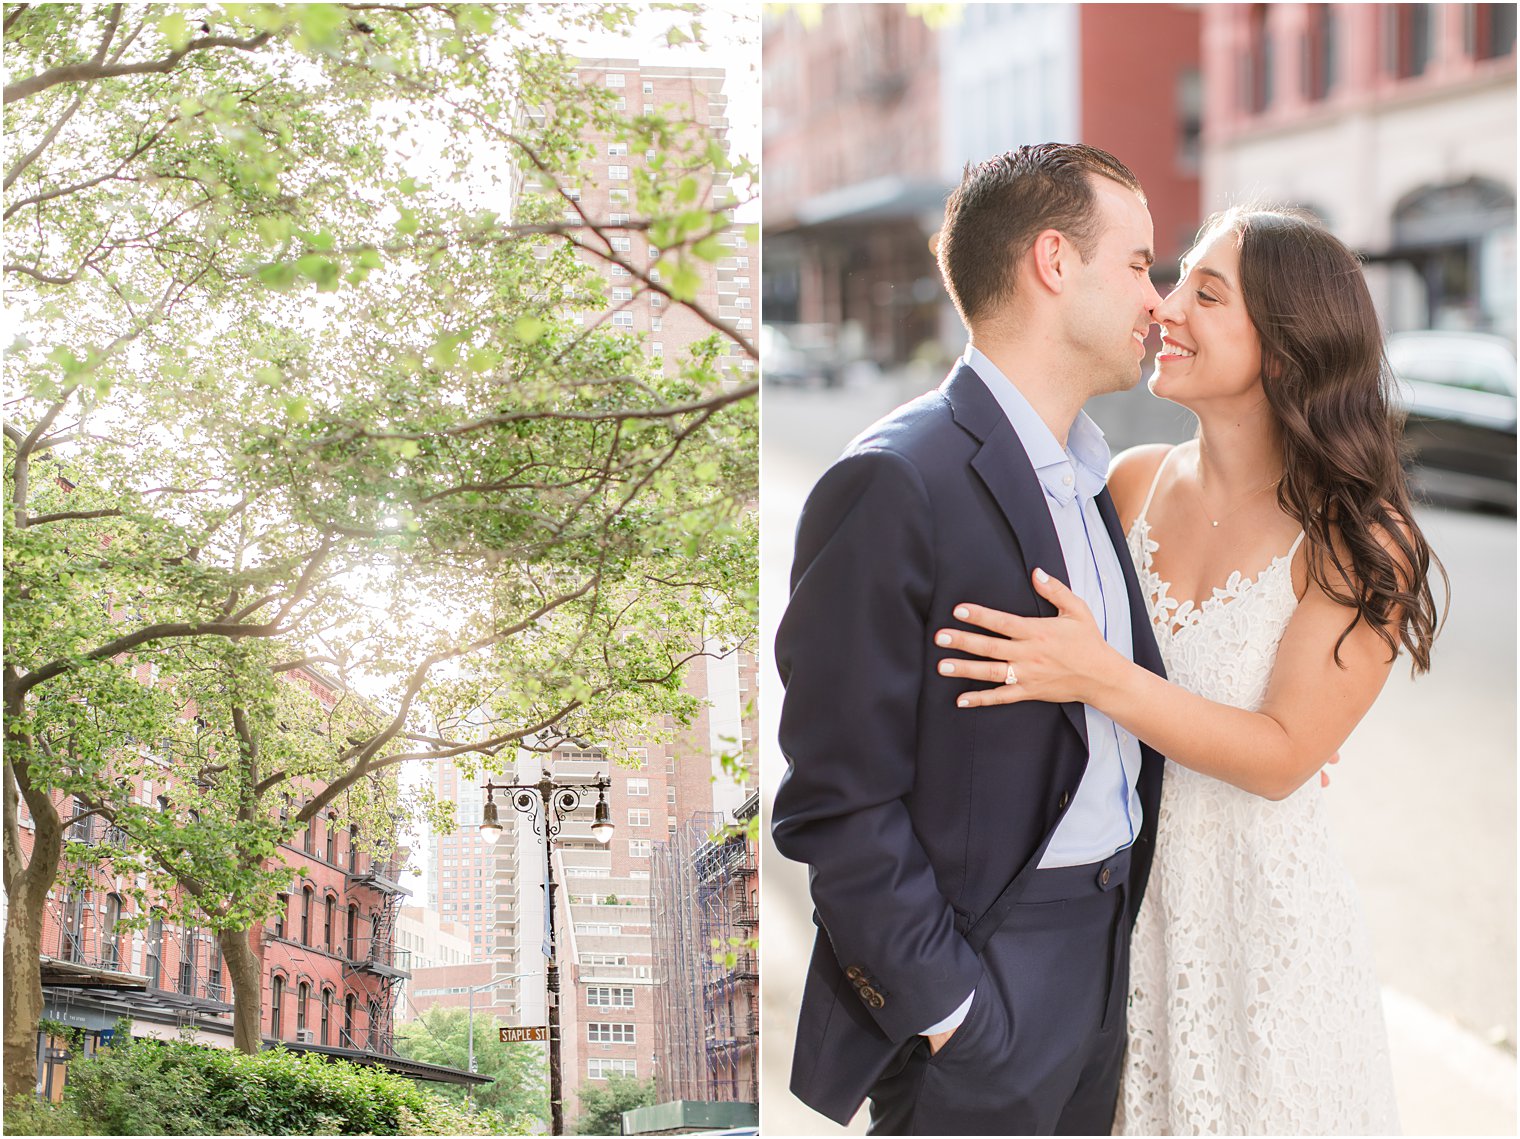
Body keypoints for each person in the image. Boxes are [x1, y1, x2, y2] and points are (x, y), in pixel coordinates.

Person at [936, 205, 1443, 1134]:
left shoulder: (1362, 539)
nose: (1165, 307)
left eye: (1205, 295)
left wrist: (1101, 676)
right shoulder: (1128, 482)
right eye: (1174, 282)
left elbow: (1285, 752)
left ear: (1286, 351)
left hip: (1267, 939)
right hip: (1123, 924)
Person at [771, 143, 1169, 1135]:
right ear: (1051, 262)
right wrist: (950, 1009)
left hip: (1102, 955)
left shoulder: (1093, 475)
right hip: (984, 974)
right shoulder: (894, 480)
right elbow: (835, 794)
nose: (1155, 299)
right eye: (1137, 265)